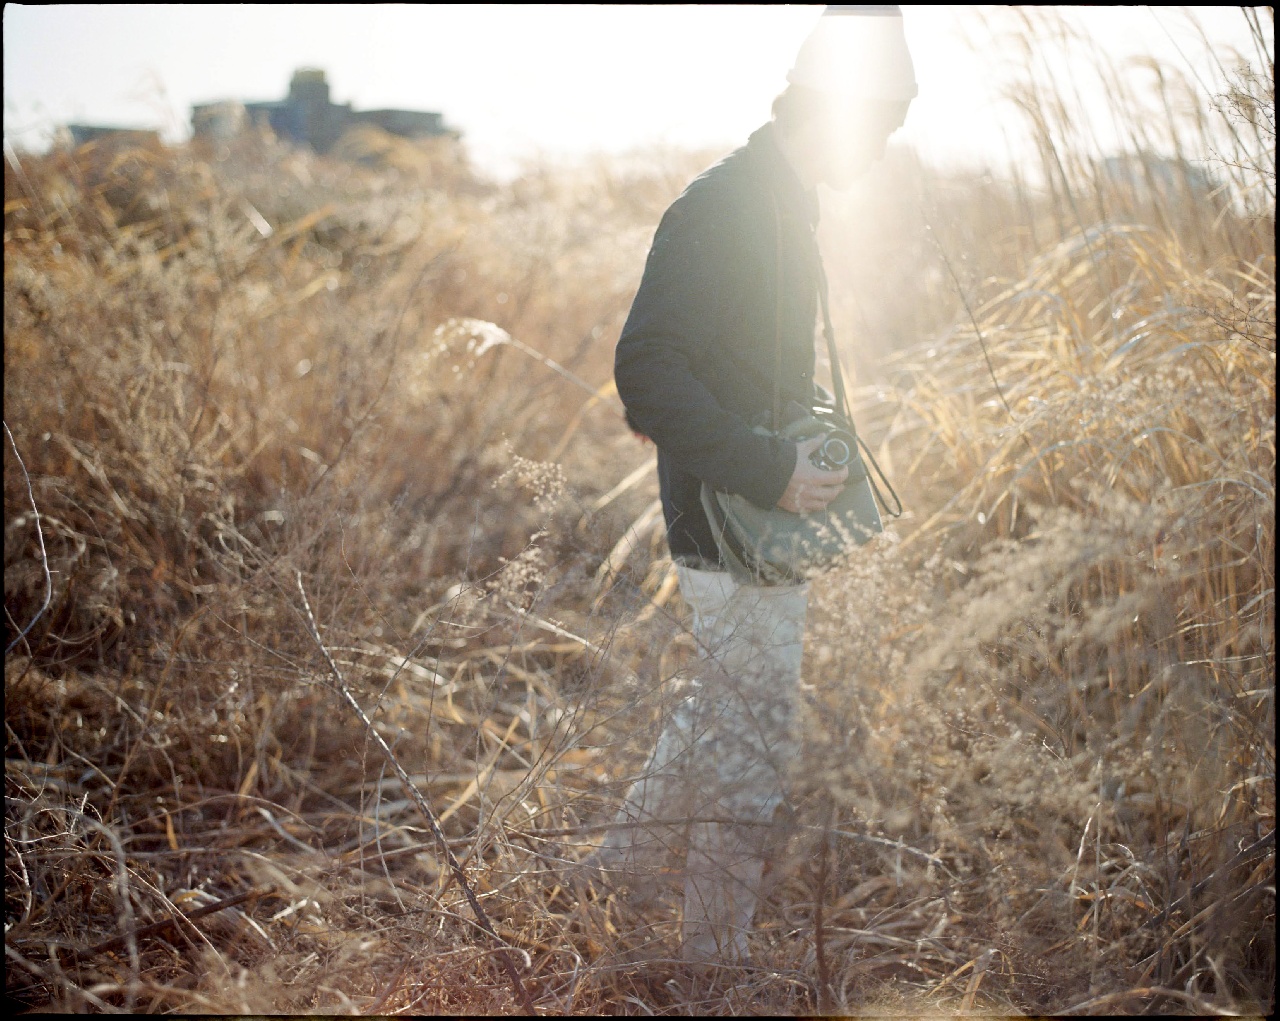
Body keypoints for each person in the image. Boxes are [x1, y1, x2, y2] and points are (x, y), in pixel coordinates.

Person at [590, 5, 917, 963]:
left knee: (719, 701)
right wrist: (771, 467)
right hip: (729, 520)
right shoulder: (724, 206)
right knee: (751, 740)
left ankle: (612, 872)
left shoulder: (786, 198)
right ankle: (711, 965)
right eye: (882, 126)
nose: (883, 150)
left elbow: (741, 360)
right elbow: (647, 368)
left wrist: (805, 432)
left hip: (750, 513)